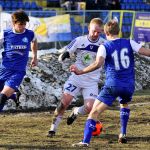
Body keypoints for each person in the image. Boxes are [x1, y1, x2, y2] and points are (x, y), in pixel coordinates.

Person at [71, 19, 150, 147]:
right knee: (124, 103)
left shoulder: (104, 46)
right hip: (129, 85)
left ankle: (85, 141)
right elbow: (146, 52)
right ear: (118, 31)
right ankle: (123, 133)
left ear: (105, 33)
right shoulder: (129, 42)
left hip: (113, 85)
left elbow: (98, 64)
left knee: (94, 113)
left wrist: (81, 71)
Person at [47, 18, 106, 137]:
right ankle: (53, 128)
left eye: (99, 32)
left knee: (90, 108)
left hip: (91, 81)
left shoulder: (104, 44)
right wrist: (65, 55)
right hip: (76, 78)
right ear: (89, 28)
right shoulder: (80, 40)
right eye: (94, 31)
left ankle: (76, 111)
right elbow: (68, 49)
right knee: (64, 103)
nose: (96, 34)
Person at [0, 10, 38, 112]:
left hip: (18, 72)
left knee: (2, 97)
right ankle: (13, 95)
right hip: (3, 69)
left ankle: (10, 94)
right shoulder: (5, 34)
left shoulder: (30, 34)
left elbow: (34, 41)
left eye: (25, 24)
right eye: (20, 24)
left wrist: (34, 57)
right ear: (14, 23)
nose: (23, 27)